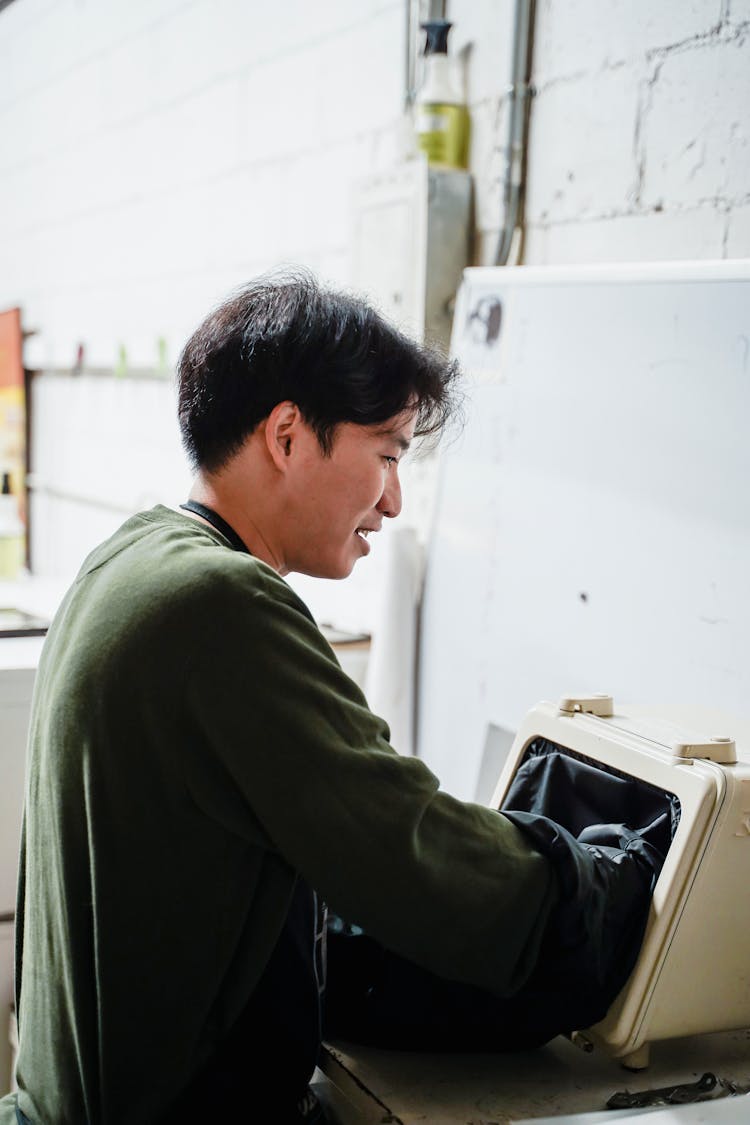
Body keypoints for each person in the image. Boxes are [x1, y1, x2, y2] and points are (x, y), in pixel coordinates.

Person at [1, 274, 658, 1125]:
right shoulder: (223, 605)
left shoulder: (131, 555)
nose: (391, 500)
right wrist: (605, 895)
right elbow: (407, 844)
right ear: (286, 434)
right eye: (387, 455)